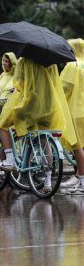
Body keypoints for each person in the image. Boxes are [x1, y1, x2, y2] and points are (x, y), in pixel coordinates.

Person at [0, 57, 77, 191]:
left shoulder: (23, 61)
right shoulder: (51, 63)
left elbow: (20, 84)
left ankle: (9, 159)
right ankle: (48, 181)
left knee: (3, 125)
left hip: (31, 106)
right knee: (44, 139)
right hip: (50, 106)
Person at [60, 38, 84, 193]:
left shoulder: (72, 65)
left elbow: (63, 87)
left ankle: (82, 181)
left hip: (75, 111)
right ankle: (78, 176)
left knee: (77, 147)